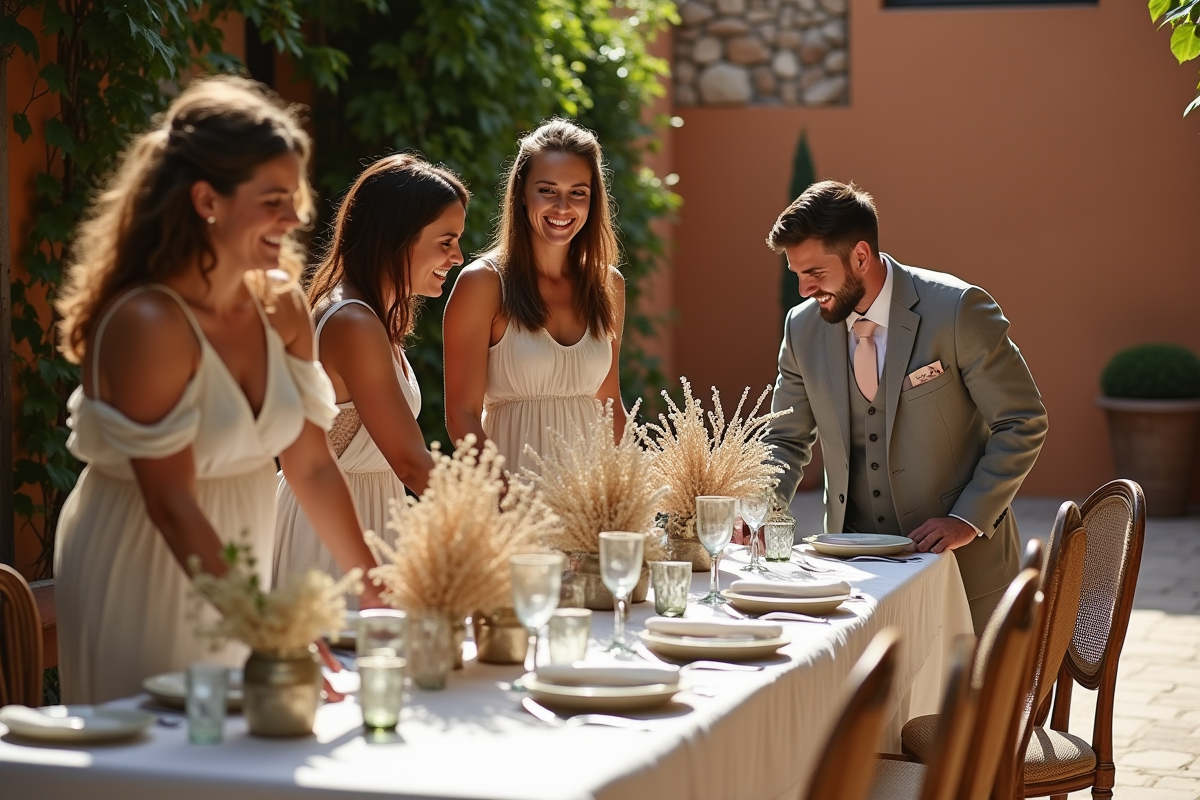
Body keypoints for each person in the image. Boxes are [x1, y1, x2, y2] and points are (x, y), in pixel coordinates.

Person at [53, 76, 383, 704]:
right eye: (273, 200)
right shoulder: (148, 323)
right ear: (208, 199)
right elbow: (171, 503)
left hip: (243, 557)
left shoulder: (282, 306)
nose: (295, 218)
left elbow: (310, 463)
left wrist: (372, 582)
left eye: (295, 198)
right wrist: (268, 626)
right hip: (146, 561)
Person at [762, 180, 1048, 634]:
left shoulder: (956, 309)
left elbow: (1022, 421)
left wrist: (966, 519)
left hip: (961, 568)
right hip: (853, 577)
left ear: (860, 255)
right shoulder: (802, 329)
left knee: (971, 704)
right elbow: (785, 437)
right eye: (796, 274)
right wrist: (758, 508)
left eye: (814, 272)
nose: (802, 289)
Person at [274, 154, 468, 590]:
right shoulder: (353, 322)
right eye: (446, 240)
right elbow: (410, 461)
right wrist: (497, 526)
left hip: (376, 518)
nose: (457, 256)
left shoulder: (375, 315)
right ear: (398, 236)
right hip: (332, 539)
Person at [443, 119, 626, 473]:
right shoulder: (482, 283)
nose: (562, 207)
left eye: (578, 192)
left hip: (587, 507)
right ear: (521, 195)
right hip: (512, 501)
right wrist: (505, 497)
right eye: (547, 190)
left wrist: (633, 493)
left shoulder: (608, 285)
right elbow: (460, 416)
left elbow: (609, 403)